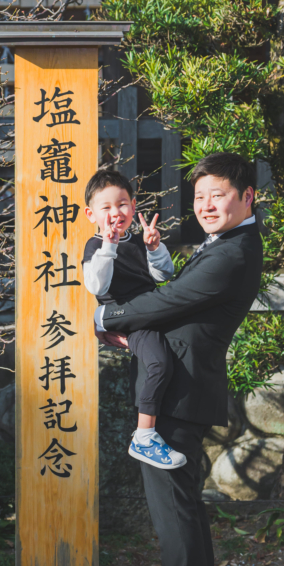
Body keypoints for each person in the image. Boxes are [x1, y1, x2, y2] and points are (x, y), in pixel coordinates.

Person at [95, 152, 263, 566]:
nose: (207, 205)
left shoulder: (233, 251)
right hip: (179, 385)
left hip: (182, 389)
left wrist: (107, 319)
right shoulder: (225, 243)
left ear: (246, 196)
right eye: (200, 197)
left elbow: (169, 301)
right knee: (176, 502)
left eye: (219, 195)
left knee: (175, 505)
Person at [82, 169, 185, 469]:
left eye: (123, 204)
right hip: (128, 317)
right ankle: (144, 435)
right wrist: (109, 246)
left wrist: (154, 247)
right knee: (158, 363)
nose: (116, 213)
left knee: (164, 359)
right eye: (106, 207)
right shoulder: (95, 246)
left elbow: (163, 275)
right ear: (91, 214)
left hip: (150, 310)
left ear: (134, 206)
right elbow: (97, 286)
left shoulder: (139, 241)